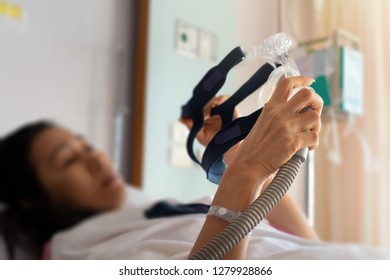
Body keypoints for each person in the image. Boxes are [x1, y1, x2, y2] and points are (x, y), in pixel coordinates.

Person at [0, 77, 388, 260]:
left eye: (86, 146)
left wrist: (236, 156)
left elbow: (305, 243)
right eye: (68, 159)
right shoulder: (75, 249)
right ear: (31, 198)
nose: (95, 158)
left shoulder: (154, 212)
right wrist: (247, 170)